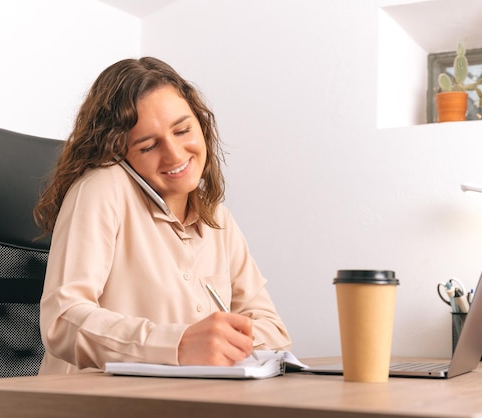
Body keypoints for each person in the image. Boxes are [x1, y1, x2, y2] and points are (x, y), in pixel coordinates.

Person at [34, 57, 291, 374]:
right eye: (148, 146)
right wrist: (178, 345)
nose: (174, 154)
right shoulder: (103, 188)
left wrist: (225, 342)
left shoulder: (220, 221)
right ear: (118, 152)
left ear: (201, 123)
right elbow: (62, 320)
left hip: (189, 399)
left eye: (182, 130)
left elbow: (274, 332)